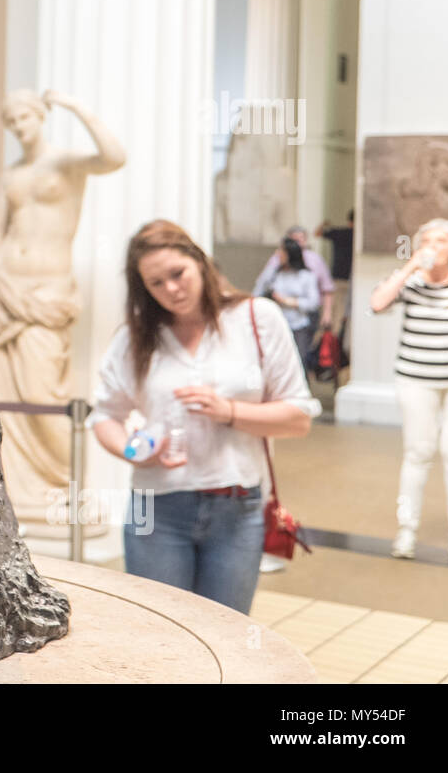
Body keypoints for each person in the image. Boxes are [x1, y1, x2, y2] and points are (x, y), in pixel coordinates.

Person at [91, 220, 320, 614]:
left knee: (224, 634)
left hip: (236, 504)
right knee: (160, 633)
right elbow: (104, 415)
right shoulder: (134, 338)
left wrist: (229, 411)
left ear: (199, 261)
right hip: (154, 506)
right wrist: (133, 449)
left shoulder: (256, 318)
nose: (171, 290)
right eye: (155, 284)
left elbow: (298, 417)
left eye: (177, 274)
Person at [0, 88, 124, 520]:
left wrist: (77, 104)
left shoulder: (67, 163)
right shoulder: (12, 174)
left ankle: (67, 486)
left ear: (40, 115)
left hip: (46, 294)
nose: (19, 127)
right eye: (12, 121)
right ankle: (16, 486)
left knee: (43, 395)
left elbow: (114, 157)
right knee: (1, 401)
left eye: (25, 117)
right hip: (2, 290)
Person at [368, 218, 448, 561]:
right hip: (415, 379)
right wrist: (409, 268)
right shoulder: (411, 283)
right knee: (418, 452)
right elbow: (377, 304)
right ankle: (407, 530)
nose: (434, 247)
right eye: (427, 241)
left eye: (442, 241)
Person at [254, 225, 335, 335]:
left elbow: (326, 288)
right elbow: (261, 284)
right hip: (280, 318)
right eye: (295, 240)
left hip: (304, 316)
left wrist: (327, 313)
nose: (299, 243)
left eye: (302, 239)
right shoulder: (277, 261)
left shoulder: (314, 262)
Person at [255, 237, 321, 371]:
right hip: (276, 324)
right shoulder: (274, 273)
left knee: (298, 363)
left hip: (298, 325)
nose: (278, 254)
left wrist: (289, 301)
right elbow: (258, 291)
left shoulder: (306, 276)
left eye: (282, 251)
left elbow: (314, 302)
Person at [316, 210, 354, 353]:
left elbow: (317, 233)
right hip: (350, 280)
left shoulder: (340, 233)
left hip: (338, 279)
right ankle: (333, 351)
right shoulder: (356, 235)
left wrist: (325, 224)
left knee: (334, 318)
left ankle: (329, 350)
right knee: (341, 318)